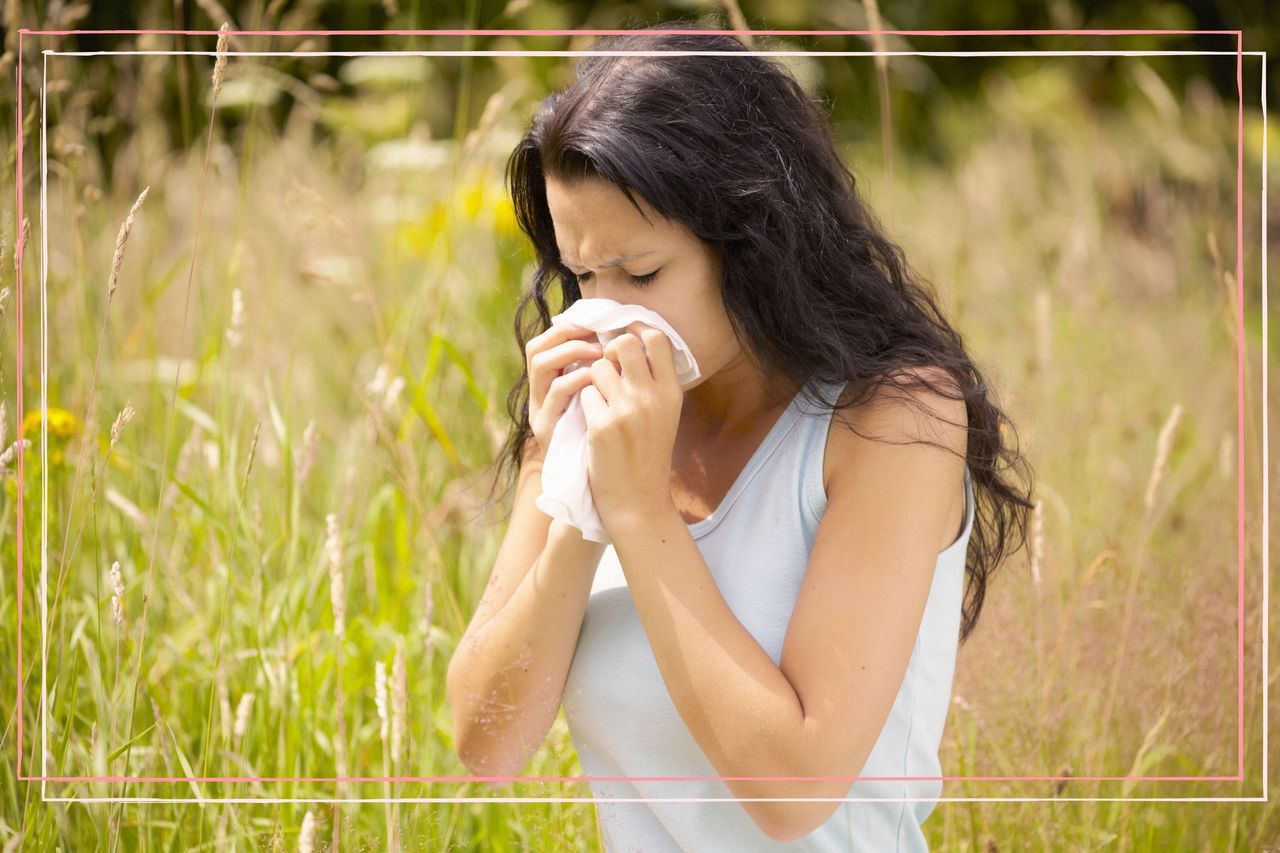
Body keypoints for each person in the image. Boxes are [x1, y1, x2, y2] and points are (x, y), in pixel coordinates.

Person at [447, 20, 1035, 851]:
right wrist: (579, 507)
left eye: (643, 274)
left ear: (753, 241)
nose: (607, 314)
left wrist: (641, 513)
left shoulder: (892, 422)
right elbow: (488, 745)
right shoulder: (592, 413)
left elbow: (795, 792)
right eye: (582, 274)